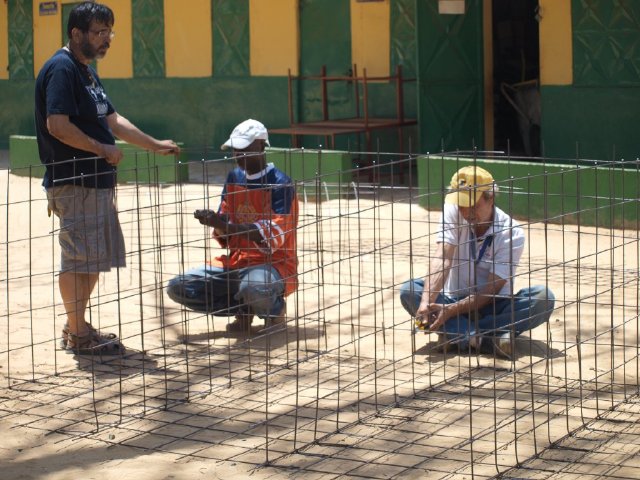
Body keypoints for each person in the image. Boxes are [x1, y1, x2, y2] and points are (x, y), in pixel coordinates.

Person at [35, 2, 180, 355]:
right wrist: (101, 148)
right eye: (99, 32)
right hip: (75, 180)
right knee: (78, 259)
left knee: (94, 259)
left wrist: (153, 145)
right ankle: (78, 333)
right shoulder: (61, 69)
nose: (107, 39)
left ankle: (78, 328)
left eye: (109, 32)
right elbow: (58, 125)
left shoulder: (86, 72)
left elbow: (112, 120)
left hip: (96, 182)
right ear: (76, 33)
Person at [399, 165, 555, 359]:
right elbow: (442, 257)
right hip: (452, 299)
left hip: (494, 305)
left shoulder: (512, 232)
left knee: (543, 298)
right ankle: (486, 339)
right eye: (462, 204)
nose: (466, 211)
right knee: (410, 290)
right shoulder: (452, 211)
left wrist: (449, 312)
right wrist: (426, 302)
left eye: (473, 205)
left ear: (491, 198)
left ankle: (457, 334)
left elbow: (491, 289)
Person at [167, 119, 298, 333]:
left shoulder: (280, 183)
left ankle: (273, 310)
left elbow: (274, 234)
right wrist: (216, 223)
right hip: (236, 261)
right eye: (236, 149)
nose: (238, 155)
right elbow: (225, 222)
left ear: (261, 145)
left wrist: (223, 226)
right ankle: (243, 308)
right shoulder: (234, 177)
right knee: (178, 286)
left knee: (254, 287)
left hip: (274, 264)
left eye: (244, 149)